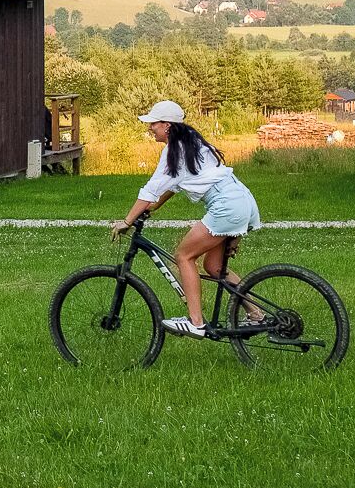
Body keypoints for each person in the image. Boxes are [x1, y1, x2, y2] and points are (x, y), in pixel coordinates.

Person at [111, 100, 262, 338]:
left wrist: (127, 221)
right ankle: (256, 314)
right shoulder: (192, 142)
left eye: (154, 123)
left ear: (167, 125)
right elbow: (173, 185)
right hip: (240, 199)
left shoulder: (174, 150)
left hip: (226, 206)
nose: (150, 128)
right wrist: (153, 208)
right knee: (214, 267)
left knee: (183, 255)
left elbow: (151, 188)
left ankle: (196, 322)